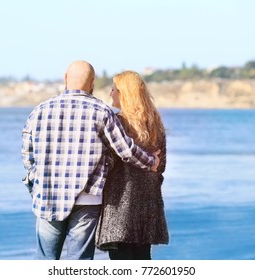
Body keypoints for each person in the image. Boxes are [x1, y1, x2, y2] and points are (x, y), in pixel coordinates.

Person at [21, 61, 160, 260]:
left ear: (65, 78)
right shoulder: (101, 111)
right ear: (92, 83)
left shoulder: (39, 111)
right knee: (80, 262)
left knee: (45, 259)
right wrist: (150, 161)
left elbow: (28, 153)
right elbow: (126, 150)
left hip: (47, 195)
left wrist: (36, 182)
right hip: (87, 197)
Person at [95, 71, 169, 260]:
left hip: (119, 206)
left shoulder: (115, 124)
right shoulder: (156, 126)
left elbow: (106, 162)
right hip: (147, 206)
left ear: (124, 94)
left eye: (114, 89)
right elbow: (160, 167)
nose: (110, 94)